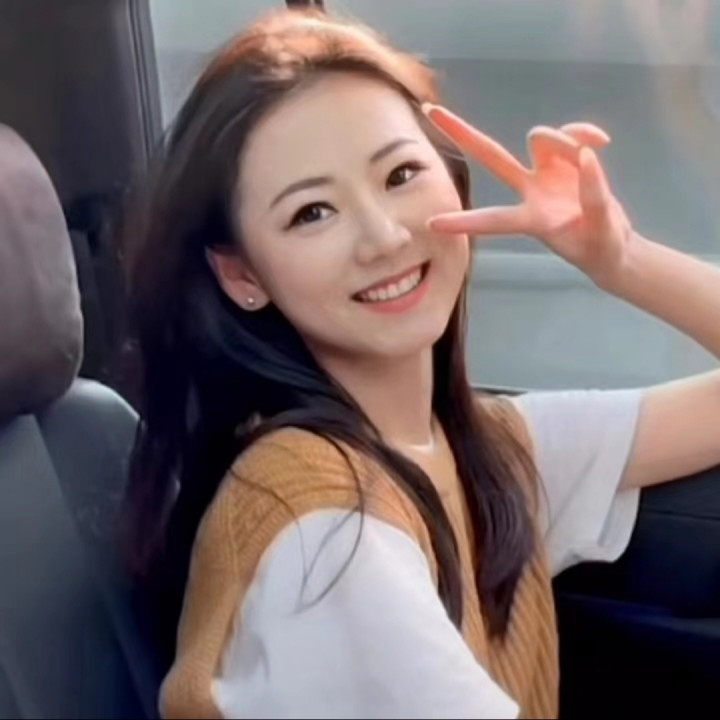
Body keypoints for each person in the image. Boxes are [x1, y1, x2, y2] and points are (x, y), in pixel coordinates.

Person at [123, 8, 720, 719]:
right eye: (312, 213)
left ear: (453, 178)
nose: (383, 236)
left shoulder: (482, 449)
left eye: (401, 173)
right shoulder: (324, 535)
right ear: (242, 274)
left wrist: (624, 259)